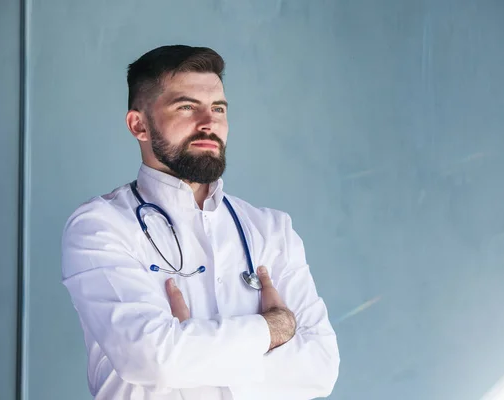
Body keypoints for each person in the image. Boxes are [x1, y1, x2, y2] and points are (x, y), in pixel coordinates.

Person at [61, 44, 340, 400]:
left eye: (218, 108)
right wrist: (273, 329)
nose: (209, 123)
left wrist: (191, 346)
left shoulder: (272, 230)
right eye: (186, 107)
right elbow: (152, 360)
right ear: (139, 125)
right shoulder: (100, 226)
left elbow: (320, 370)